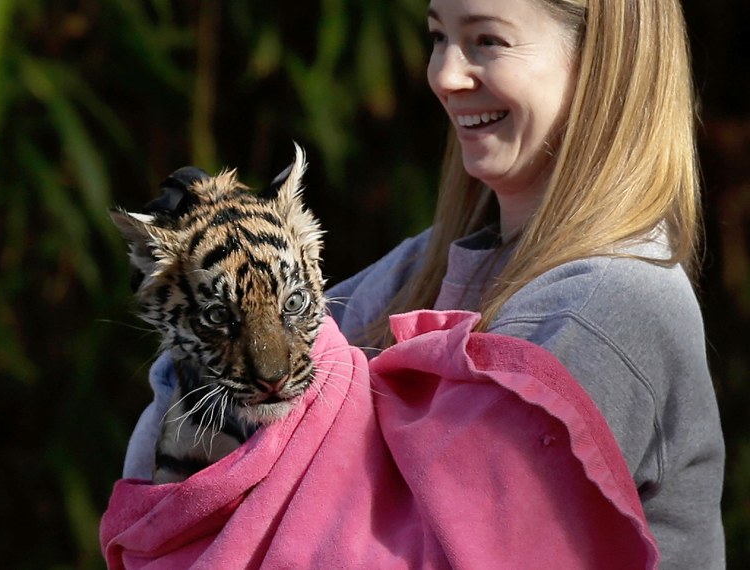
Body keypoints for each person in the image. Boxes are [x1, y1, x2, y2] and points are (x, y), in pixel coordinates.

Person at [123, 0, 725, 568]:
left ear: (600, 62)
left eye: (487, 40)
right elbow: (209, 396)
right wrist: (194, 274)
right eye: (439, 36)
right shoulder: (439, 262)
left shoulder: (610, 306)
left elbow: (412, 550)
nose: (445, 75)